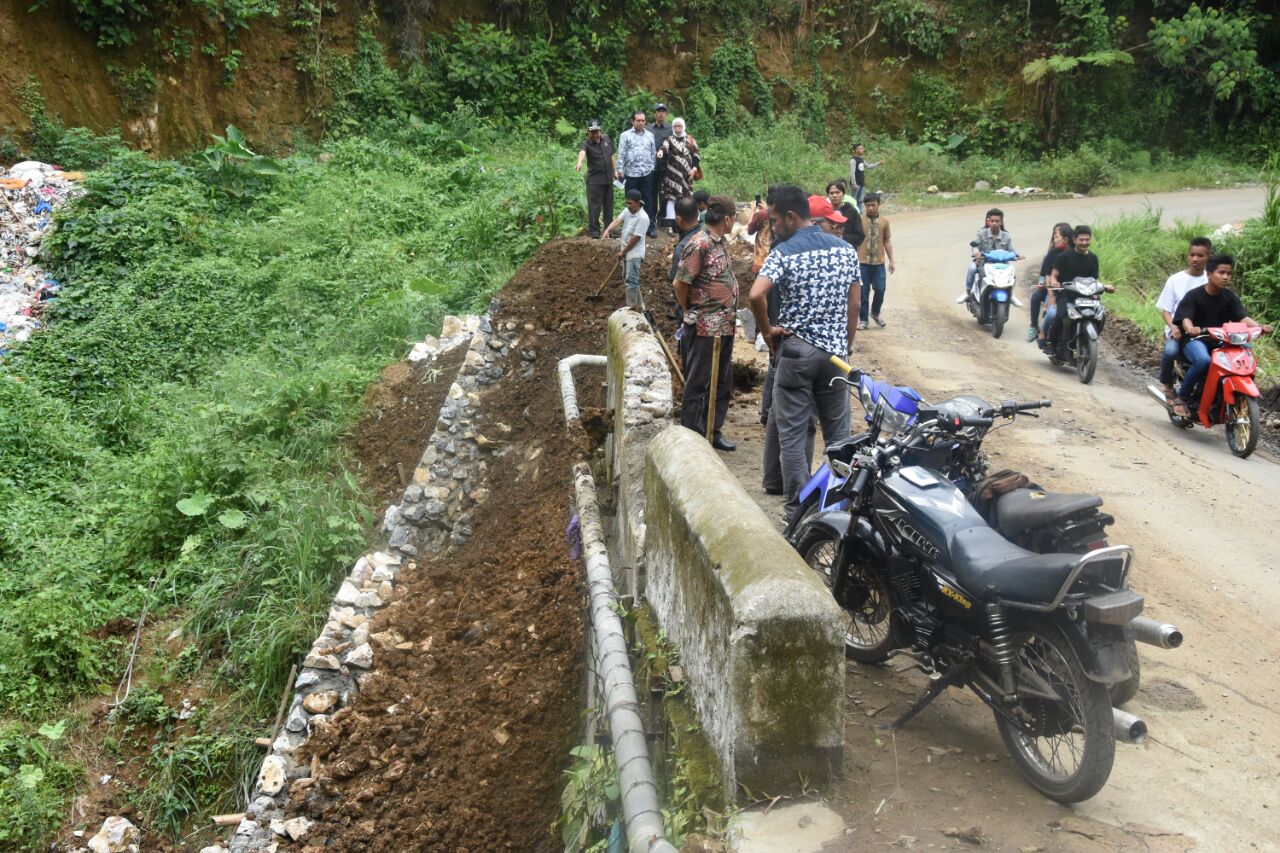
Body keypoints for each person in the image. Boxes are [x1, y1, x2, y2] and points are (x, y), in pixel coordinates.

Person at [748, 184, 862, 521]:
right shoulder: (846, 251)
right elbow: (854, 305)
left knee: (794, 435)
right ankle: (841, 506)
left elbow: (756, 295)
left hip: (796, 354)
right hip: (835, 356)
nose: (773, 227)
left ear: (790, 217)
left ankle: (797, 512)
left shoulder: (783, 253)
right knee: (839, 435)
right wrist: (845, 344)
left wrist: (768, 332)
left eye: (774, 221)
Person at [1171, 254, 1272, 417]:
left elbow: (1242, 317)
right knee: (1203, 360)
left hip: (1221, 340)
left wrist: (1259, 327)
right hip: (1195, 340)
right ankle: (1181, 398)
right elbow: (1185, 318)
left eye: (1229, 273)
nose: (1226, 277)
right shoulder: (1194, 295)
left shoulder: (1229, 297)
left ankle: (1232, 395)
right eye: (1221, 272)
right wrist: (1191, 328)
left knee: (1246, 353)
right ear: (1209, 274)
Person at [675, 195, 739, 450]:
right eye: (734, 217)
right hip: (704, 326)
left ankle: (713, 430)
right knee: (698, 382)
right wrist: (690, 308)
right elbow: (680, 282)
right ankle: (691, 437)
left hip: (725, 324)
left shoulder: (720, 243)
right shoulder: (699, 244)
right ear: (727, 218)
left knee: (722, 380)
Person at [1154, 237, 1212, 405]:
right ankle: (1167, 385)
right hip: (1178, 330)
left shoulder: (1210, 281)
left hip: (1202, 332)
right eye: (1192, 254)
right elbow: (1166, 311)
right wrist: (1172, 326)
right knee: (1171, 352)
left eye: (1200, 255)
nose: (1195, 259)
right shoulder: (1175, 280)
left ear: (1208, 257)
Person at [1046, 224, 1113, 361]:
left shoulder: (1093, 258)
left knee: (1101, 315)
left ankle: (1088, 339)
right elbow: (1054, 275)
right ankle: (1052, 345)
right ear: (1074, 239)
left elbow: (1094, 279)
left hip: (1086, 296)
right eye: (1081, 240)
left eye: (1087, 240)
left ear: (1091, 240)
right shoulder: (1064, 257)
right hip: (1067, 295)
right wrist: (1054, 282)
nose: (1084, 243)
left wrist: (1102, 288)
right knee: (1060, 316)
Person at [601, 189, 649, 310]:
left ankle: (632, 308)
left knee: (631, 281)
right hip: (627, 251)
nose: (628, 206)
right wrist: (608, 230)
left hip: (634, 253)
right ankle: (640, 306)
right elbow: (618, 220)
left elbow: (635, 239)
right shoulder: (628, 211)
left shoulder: (643, 218)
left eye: (630, 203)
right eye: (627, 203)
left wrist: (623, 252)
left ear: (638, 203)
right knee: (629, 279)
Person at [669, 196, 703, 365]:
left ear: (678, 219)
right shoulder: (709, 236)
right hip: (713, 312)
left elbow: (678, 284)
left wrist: (685, 309)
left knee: (690, 360)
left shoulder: (684, 247)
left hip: (692, 311)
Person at [856, 192, 895, 329]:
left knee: (880, 289)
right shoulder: (859, 220)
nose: (870, 208)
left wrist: (892, 260)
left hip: (879, 263)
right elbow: (855, 240)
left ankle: (875, 313)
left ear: (879, 205)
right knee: (863, 292)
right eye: (868, 206)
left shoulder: (884, 222)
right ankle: (863, 320)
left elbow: (887, 241)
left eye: (873, 205)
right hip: (862, 263)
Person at [1029, 223, 1073, 343]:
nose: (1054, 239)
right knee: (1039, 299)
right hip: (1054, 290)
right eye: (1054, 236)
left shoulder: (1077, 254)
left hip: (1071, 290)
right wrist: (1051, 293)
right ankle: (1036, 327)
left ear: (1066, 239)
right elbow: (1048, 275)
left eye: (1056, 236)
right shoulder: (1053, 253)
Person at [616, 112, 657, 239]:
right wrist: (620, 170)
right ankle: (631, 227)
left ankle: (650, 227)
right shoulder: (625, 135)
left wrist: (652, 167)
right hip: (631, 174)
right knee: (632, 201)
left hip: (646, 173)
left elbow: (653, 152)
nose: (641, 123)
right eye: (638, 120)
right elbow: (621, 153)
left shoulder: (650, 135)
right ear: (633, 121)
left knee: (648, 200)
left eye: (643, 120)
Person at [963, 208, 1015, 300]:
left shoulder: (1006, 235)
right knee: (972, 269)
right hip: (984, 263)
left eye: (997, 221)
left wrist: (1017, 255)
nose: (994, 223)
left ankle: (1010, 294)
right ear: (988, 221)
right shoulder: (981, 233)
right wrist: (977, 254)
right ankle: (968, 292)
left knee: (1013, 275)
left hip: (1002, 265)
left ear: (1001, 222)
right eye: (992, 221)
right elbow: (975, 246)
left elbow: (1011, 250)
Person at [575, 119, 615, 238]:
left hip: (608, 179)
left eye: (597, 131)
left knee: (608, 205)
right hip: (595, 181)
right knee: (594, 206)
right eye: (592, 132)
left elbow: (612, 155)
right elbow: (582, 152)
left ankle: (609, 230)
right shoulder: (587, 143)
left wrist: (615, 171)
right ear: (588, 132)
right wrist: (579, 162)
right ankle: (594, 230)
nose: (595, 134)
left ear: (600, 130)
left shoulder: (606, 139)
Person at [657, 117, 699, 228]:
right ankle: (672, 224)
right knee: (671, 198)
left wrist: (694, 169)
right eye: (675, 126)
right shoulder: (670, 139)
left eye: (679, 126)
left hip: (687, 175)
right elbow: (664, 146)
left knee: (687, 197)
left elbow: (696, 155)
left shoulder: (690, 140)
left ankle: (691, 221)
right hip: (672, 174)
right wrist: (661, 151)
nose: (677, 128)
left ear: (683, 126)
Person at [650, 104, 673, 230]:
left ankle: (662, 218)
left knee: (664, 193)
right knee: (651, 193)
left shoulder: (671, 129)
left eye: (663, 111)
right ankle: (652, 217)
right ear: (654, 114)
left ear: (666, 114)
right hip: (651, 167)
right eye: (658, 111)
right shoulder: (648, 129)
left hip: (666, 166)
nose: (661, 113)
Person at [825, 180, 865, 249]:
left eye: (837, 192)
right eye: (831, 193)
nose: (834, 195)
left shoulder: (852, 212)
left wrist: (841, 237)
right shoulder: (824, 212)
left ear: (843, 193)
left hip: (847, 250)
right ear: (828, 195)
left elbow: (859, 236)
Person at [848, 142, 882, 211]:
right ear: (856, 150)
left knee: (860, 200)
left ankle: (860, 214)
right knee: (853, 201)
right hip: (856, 184)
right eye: (861, 148)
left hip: (861, 183)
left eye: (862, 148)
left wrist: (878, 163)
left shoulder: (861, 160)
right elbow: (852, 173)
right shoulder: (853, 160)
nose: (863, 150)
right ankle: (854, 215)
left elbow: (869, 166)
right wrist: (854, 184)